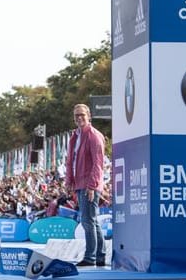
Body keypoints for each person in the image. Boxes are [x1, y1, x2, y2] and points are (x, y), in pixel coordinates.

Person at [65, 103, 106, 267]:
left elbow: (98, 163)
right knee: (92, 220)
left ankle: (90, 257)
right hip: (79, 183)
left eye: (82, 114)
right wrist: (69, 180)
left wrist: (92, 185)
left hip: (90, 184)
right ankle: (100, 255)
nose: (79, 118)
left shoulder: (94, 136)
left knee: (88, 221)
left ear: (89, 115)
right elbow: (71, 161)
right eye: (76, 116)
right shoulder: (75, 136)